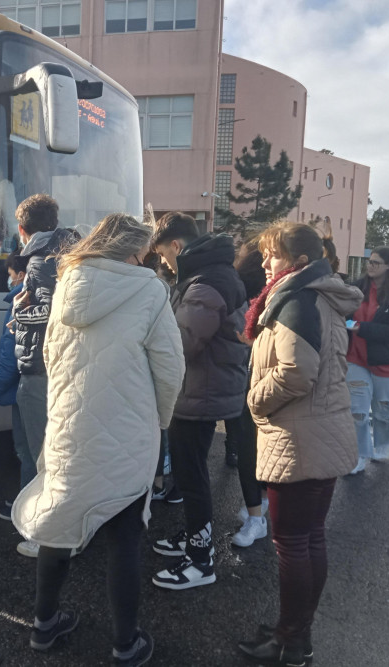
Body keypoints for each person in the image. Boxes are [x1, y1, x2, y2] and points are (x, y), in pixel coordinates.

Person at [12, 214, 184, 666]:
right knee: (124, 535)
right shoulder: (148, 290)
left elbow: (49, 355)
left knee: (60, 522)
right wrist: (160, 421)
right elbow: (170, 369)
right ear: (131, 251)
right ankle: (125, 644)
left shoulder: (67, 283)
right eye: (142, 253)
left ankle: (43, 624)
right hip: (127, 429)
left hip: (69, 427)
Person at [238, 221, 361, 667]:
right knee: (309, 539)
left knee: (292, 542)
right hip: (320, 433)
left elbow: (296, 372)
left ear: (299, 262)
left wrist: (253, 400)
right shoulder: (316, 296)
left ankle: (289, 640)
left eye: (273, 254)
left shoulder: (296, 300)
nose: (266, 261)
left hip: (299, 437)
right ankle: (297, 636)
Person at [149, 212, 249, 590]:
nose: (162, 262)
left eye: (162, 255)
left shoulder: (204, 284)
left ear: (176, 246)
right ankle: (194, 535)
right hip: (203, 387)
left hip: (199, 391)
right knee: (193, 474)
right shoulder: (212, 273)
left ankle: (200, 560)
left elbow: (182, 344)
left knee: (192, 476)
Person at [12, 193, 79, 557]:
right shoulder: (69, 251)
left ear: (23, 230)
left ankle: (50, 534)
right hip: (57, 367)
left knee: (42, 455)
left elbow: (53, 314)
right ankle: (30, 517)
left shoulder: (41, 261)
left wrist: (19, 314)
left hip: (40, 369)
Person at [346, 247, 389, 474]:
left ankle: (383, 445)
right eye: (369, 261)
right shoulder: (358, 287)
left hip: (387, 362)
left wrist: (362, 329)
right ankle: (357, 456)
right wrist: (349, 325)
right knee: (357, 410)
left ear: (388, 266)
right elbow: (344, 313)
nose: (370, 265)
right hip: (356, 358)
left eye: (376, 262)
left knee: (383, 410)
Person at [231, 235, 270, 548]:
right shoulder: (281, 290)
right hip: (264, 379)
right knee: (258, 448)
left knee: (247, 447)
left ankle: (256, 514)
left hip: (249, 378)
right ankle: (260, 507)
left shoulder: (241, 286)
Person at [0, 249, 29, 521]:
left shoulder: (20, 301)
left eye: (11, 275)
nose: (9, 280)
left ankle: (26, 507)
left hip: (26, 387)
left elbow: (9, 350)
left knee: (26, 449)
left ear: (23, 274)